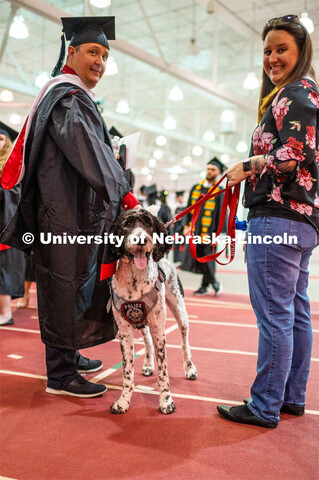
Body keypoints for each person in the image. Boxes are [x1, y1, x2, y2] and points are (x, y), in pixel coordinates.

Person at [0, 17, 141, 398]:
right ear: (72, 51)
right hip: (62, 215)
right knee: (63, 285)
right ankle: (60, 375)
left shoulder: (70, 95)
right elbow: (89, 153)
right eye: (94, 52)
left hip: (71, 212)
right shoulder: (67, 98)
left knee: (73, 284)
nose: (100, 61)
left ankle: (68, 354)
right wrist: (124, 191)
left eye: (106, 55)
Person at [217, 15, 319, 428]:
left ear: (301, 53)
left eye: (281, 49)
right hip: (301, 222)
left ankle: (264, 406)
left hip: (277, 219)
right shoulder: (300, 94)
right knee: (294, 312)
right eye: (267, 51)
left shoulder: (295, 94)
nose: (272, 57)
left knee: (276, 315)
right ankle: (290, 397)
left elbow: (295, 153)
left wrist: (248, 164)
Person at [181, 157, 226, 296]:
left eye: (213, 169)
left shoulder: (220, 191)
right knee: (200, 258)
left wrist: (218, 234)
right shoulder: (196, 188)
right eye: (208, 169)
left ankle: (214, 283)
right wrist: (186, 225)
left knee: (208, 258)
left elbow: (221, 213)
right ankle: (205, 285)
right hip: (195, 230)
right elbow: (189, 208)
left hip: (210, 232)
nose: (209, 171)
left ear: (218, 173)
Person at [0, 122, 25, 325]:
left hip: (4, 226)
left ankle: (6, 314)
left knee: (4, 272)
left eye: (1, 139)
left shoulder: (9, 167)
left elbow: (11, 199)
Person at [173, 191, 187, 264]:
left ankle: (183, 260)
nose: (179, 199)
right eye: (178, 198)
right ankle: (176, 259)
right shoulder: (177, 208)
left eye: (180, 197)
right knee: (177, 244)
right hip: (177, 229)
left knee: (184, 245)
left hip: (184, 229)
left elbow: (186, 218)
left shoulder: (186, 207)